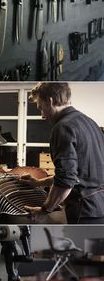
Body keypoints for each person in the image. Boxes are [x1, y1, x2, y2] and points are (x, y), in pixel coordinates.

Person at [22, 82, 104, 224]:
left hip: (84, 212)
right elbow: (78, 174)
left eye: (41, 108)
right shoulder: (90, 122)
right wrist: (38, 183)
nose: (42, 115)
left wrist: (44, 211)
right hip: (99, 208)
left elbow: (66, 181)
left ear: (50, 101)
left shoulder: (63, 127)